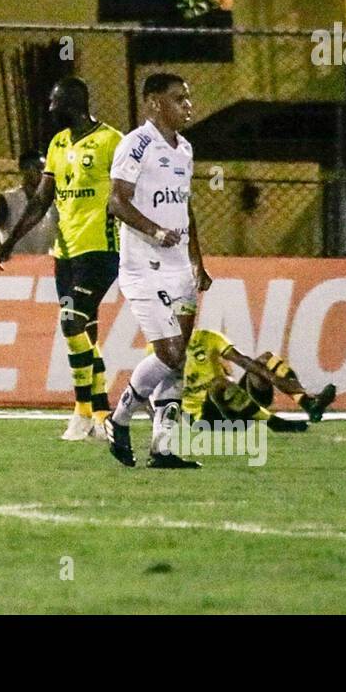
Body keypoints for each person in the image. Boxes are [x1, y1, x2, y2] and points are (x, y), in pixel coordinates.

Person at [0, 79, 123, 441]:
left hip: (99, 249)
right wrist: (12, 240)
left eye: (53, 101)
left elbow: (127, 192)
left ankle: (83, 413)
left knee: (71, 323)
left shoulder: (112, 141)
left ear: (72, 102)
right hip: (64, 254)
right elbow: (41, 199)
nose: (49, 109)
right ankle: (101, 415)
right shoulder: (57, 144)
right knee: (84, 332)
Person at [104, 73, 212, 468]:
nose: (188, 105)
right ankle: (119, 418)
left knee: (178, 358)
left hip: (180, 267)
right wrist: (154, 230)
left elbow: (186, 207)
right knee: (167, 353)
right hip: (143, 267)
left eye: (188, 98)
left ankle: (163, 448)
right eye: (178, 98)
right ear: (153, 104)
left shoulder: (184, 149)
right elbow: (117, 201)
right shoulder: (136, 144)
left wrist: (198, 260)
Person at [177, 328, 337, 433]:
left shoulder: (207, 337)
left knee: (266, 359)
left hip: (237, 404)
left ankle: (309, 404)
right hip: (203, 418)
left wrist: (274, 379)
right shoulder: (159, 350)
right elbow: (152, 389)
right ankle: (275, 423)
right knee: (219, 384)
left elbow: (243, 361)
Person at [0, 152, 57, 257]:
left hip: (46, 258)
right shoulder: (8, 198)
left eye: (45, 169)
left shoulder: (54, 199)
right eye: (38, 168)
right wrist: (1, 249)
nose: (43, 173)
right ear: (24, 170)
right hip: (18, 258)